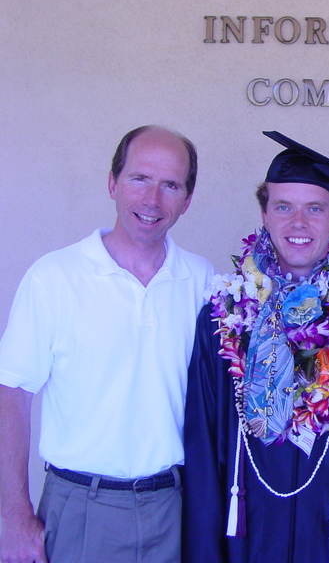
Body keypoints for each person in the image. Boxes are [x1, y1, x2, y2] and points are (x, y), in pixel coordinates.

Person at [182, 131, 329, 563]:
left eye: (314, 209)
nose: (298, 224)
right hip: (246, 537)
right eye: (283, 207)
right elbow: (200, 450)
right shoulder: (224, 320)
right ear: (264, 214)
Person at [0, 125, 215, 563]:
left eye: (170, 185)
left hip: (175, 511)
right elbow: (12, 395)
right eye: (140, 178)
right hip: (80, 509)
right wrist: (13, 516)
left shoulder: (205, 283)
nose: (152, 200)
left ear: (187, 200)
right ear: (113, 182)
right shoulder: (54, 277)